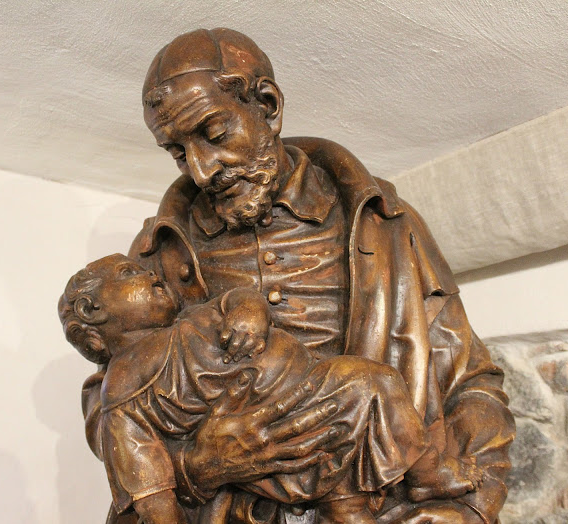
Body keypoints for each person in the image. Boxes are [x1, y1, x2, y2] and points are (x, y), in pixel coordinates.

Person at [81, 28, 515, 523]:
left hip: (380, 501)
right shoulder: (160, 252)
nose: (201, 170)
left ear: (267, 106)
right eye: (179, 152)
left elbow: (469, 379)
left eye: (214, 134)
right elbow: (111, 401)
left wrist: (474, 508)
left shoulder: (385, 223)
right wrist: (196, 464)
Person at [61, 254, 483, 524]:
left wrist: (249, 310)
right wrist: (193, 471)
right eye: (130, 273)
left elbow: (238, 298)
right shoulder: (121, 390)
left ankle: (419, 477)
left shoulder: (194, 318)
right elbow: (148, 484)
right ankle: (418, 477)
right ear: (90, 310)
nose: (151, 271)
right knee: (374, 384)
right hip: (269, 441)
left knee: (367, 416)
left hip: (314, 393)